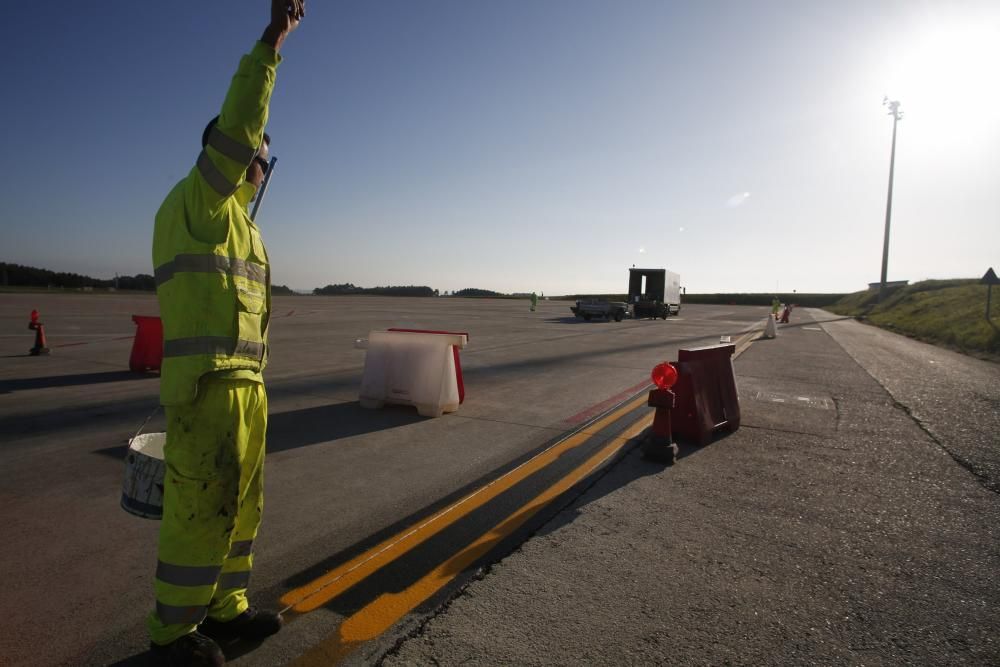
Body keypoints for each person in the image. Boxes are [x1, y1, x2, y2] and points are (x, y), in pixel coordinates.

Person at [148, 2, 305, 664]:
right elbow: (242, 121)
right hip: (207, 391)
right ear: (231, 150)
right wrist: (272, 43)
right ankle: (172, 632)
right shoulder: (200, 201)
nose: (262, 163)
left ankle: (227, 608)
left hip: (244, 392)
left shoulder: (245, 229)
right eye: (256, 152)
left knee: (239, 512)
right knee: (195, 516)